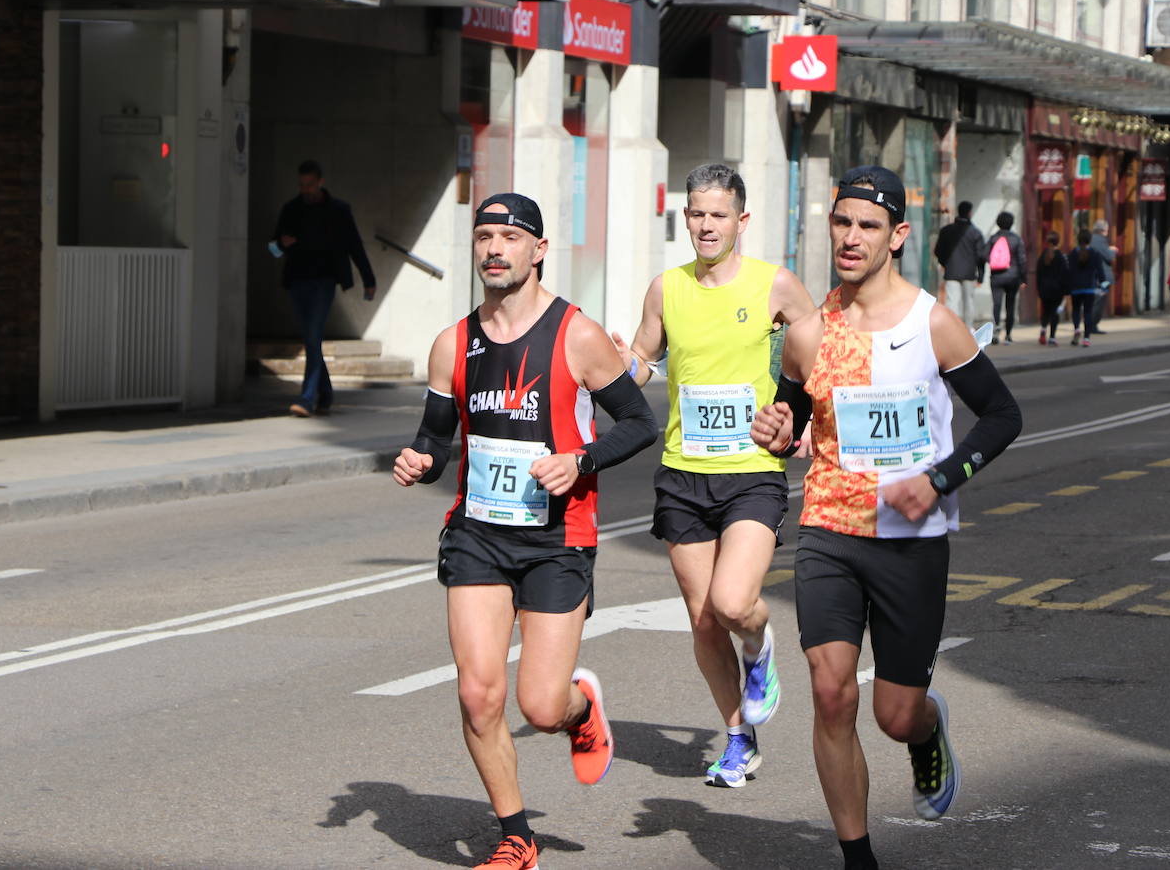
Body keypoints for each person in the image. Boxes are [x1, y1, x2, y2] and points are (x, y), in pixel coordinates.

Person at [750, 165, 1022, 870]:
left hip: (910, 541)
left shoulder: (932, 322)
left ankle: (928, 731)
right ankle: (858, 857)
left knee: (894, 713)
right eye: (841, 222)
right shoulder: (808, 332)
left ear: (897, 235)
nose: (850, 236)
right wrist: (778, 430)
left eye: (868, 225)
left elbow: (1002, 415)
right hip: (830, 531)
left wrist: (939, 479)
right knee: (831, 690)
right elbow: (791, 421)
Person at [392, 193, 657, 869]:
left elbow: (638, 423)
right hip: (478, 533)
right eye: (484, 235)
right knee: (478, 693)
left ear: (538, 251)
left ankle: (579, 710)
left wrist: (581, 460)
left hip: (556, 537)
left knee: (539, 705)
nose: (494, 248)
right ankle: (516, 836)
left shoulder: (577, 335)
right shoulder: (452, 342)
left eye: (509, 236)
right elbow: (436, 439)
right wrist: (422, 462)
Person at [612, 163, 816, 788]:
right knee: (703, 619)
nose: (705, 225)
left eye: (717, 214)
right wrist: (622, 368)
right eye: (696, 213)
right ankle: (737, 738)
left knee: (733, 604)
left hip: (752, 470)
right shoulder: (666, 288)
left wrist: (802, 419)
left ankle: (759, 644)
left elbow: (817, 359)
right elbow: (645, 359)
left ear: (741, 221)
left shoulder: (776, 285)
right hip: (682, 473)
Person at [272, 159, 377, 417]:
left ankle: (307, 398)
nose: (305, 189)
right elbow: (273, 247)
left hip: (324, 281)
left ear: (320, 182)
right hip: (297, 280)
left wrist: (368, 278)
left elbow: (354, 244)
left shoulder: (338, 210)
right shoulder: (291, 209)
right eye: (301, 185)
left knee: (312, 335)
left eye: (310, 184)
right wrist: (282, 243)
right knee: (312, 339)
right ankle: (326, 394)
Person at [934, 201, 985, 329]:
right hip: (969, 273)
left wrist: (945, 263)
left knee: (952, 302)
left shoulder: (946, 230)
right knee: (969, 302)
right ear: (969, 213)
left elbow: (938, 251)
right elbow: (981, 256)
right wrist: (981, 276)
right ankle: (968, 329)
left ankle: (953, 329)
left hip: (951, 271)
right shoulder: (975, 233)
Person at [985, 211, 1027, 344]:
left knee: (996, 304)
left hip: (996, 276)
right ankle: (1008, 335)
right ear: (1011, 223)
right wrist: (1023, 278)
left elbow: (985, 256)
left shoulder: (993, 238)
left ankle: (996, 330)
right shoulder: (1016, 239)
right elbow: (1022, 260)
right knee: (1010, 305)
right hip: (1013, 276)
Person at [1066, 228, 1105, 347]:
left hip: (1075, 287)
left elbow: (1069, 271)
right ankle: (1086, 338)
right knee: (1088, 312)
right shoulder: (1095, 254)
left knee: (1076, 310)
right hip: (1089, 287)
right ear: (1090, 240)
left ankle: (1077, 328)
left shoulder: (1073, 254)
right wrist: (1104, 285)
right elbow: (1100, 272)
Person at [1035, 232, 1069, 346]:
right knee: (1054, 313)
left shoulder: (1042, 256)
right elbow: (1064, 275)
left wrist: (1039, 288)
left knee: (1046, 311)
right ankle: (1052, 337)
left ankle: (1043, 330)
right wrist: (1066, 291)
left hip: (1044, 289)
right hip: (1056, 290)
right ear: (1058, 242)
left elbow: (1038, 274)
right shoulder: (1060, 257)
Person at [1087, 220, 1116, 334]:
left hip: (1093, 276)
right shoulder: (1100, 240)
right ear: (1102, 230)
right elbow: (1109, 257)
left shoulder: (1090, 239)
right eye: (1107, 230)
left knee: (1095, 300)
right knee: (1099, 301)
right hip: (1102, 277)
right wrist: (1112, 251)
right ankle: (1092, 325)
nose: (1107, 233)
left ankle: (1091, 324)